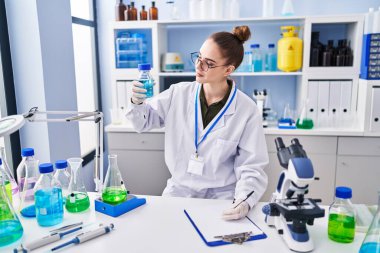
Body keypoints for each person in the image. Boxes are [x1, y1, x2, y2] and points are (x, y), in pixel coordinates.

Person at [126, 26, 269, 220]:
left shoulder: (247, 110)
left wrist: (244, 201)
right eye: (199, 57)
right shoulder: (178, 93)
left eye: (208, 63)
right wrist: (137, 102)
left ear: (228, 69)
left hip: (221, 199)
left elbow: (251, 167)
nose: (198, 66)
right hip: (179, 192)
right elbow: (143, 123)